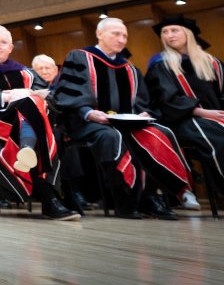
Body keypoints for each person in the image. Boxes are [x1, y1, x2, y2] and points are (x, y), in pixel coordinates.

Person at [52, 17, 191, 219]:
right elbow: (67, 94)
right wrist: (88, 112)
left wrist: (144, 113)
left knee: (158, 133)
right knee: (112, 137)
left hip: (126, 123)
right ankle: (125, 201)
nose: (121, 39)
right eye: (116, 34)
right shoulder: (80, 58)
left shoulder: (130, 68)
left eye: (125, 36)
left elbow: (143, 101)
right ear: (99, 34)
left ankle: (151, 197)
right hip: (85, 123)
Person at [0, 25, 78, 220]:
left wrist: (35, 95)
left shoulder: (26, 73)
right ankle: (50, 199)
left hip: (25, 124)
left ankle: (31, 156)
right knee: (38, 124)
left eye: (3, 42)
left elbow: (51, 98)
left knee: (36, 110)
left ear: (11, 48)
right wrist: (6, 96)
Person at [144, 13, 222, 207]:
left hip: (215, 117)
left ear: (188, 33)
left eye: (174, 30)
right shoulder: (161, 64)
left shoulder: (212, 62)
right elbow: (165, 99)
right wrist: (202, 112)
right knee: (218, 138)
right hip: (181, 120)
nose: (169, 35)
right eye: (165, 32)